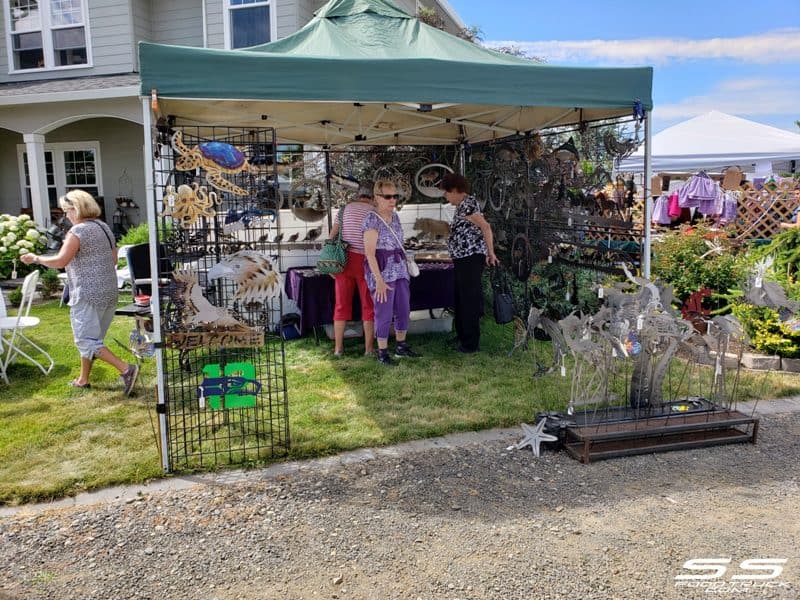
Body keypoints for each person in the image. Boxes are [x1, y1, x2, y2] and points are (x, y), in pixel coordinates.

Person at [20, 190, 139, 394]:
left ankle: (127, 370)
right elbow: (112, 259)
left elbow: (60, 261)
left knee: (86, 340)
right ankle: (83, 379)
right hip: (109, 292)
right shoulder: (104, 227)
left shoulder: (78, 232)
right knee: (93, 339)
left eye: (67, 211)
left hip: (87, 294)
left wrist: (36, 259)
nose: (66, 216)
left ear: (77, 208)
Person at [362, 179, 420, 366]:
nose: (392, 200)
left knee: (403, 309)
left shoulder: (395, 217)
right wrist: (378, 279)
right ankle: (382, 352)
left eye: (395, 196)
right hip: (382, 272)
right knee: (383, 312)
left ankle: (401, 346)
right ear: (376, 197)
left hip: (399, 270)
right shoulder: (371, 219)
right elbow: (369, 254)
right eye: (387, 196)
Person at [441, 172, 499, 353]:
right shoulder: (462, 206)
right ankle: (462, 335)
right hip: (462, 258)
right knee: (460, 298)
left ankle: (470, 343)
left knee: (468, 299)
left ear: (456, 190)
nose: (446, 196)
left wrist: (491, 253)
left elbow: (486, 227)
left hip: (470, 258)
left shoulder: (468, 205)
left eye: (446, 192)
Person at [327, 181, 376, 356]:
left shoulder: (344, 209)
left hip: (344, 260)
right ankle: (369, 349)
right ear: (373, 197)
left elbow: (332, 235)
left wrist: (330, 261)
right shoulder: (373, 211)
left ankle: (338, 349)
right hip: (365, 261)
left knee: (341, 305)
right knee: (368, 304)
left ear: (357, 195)